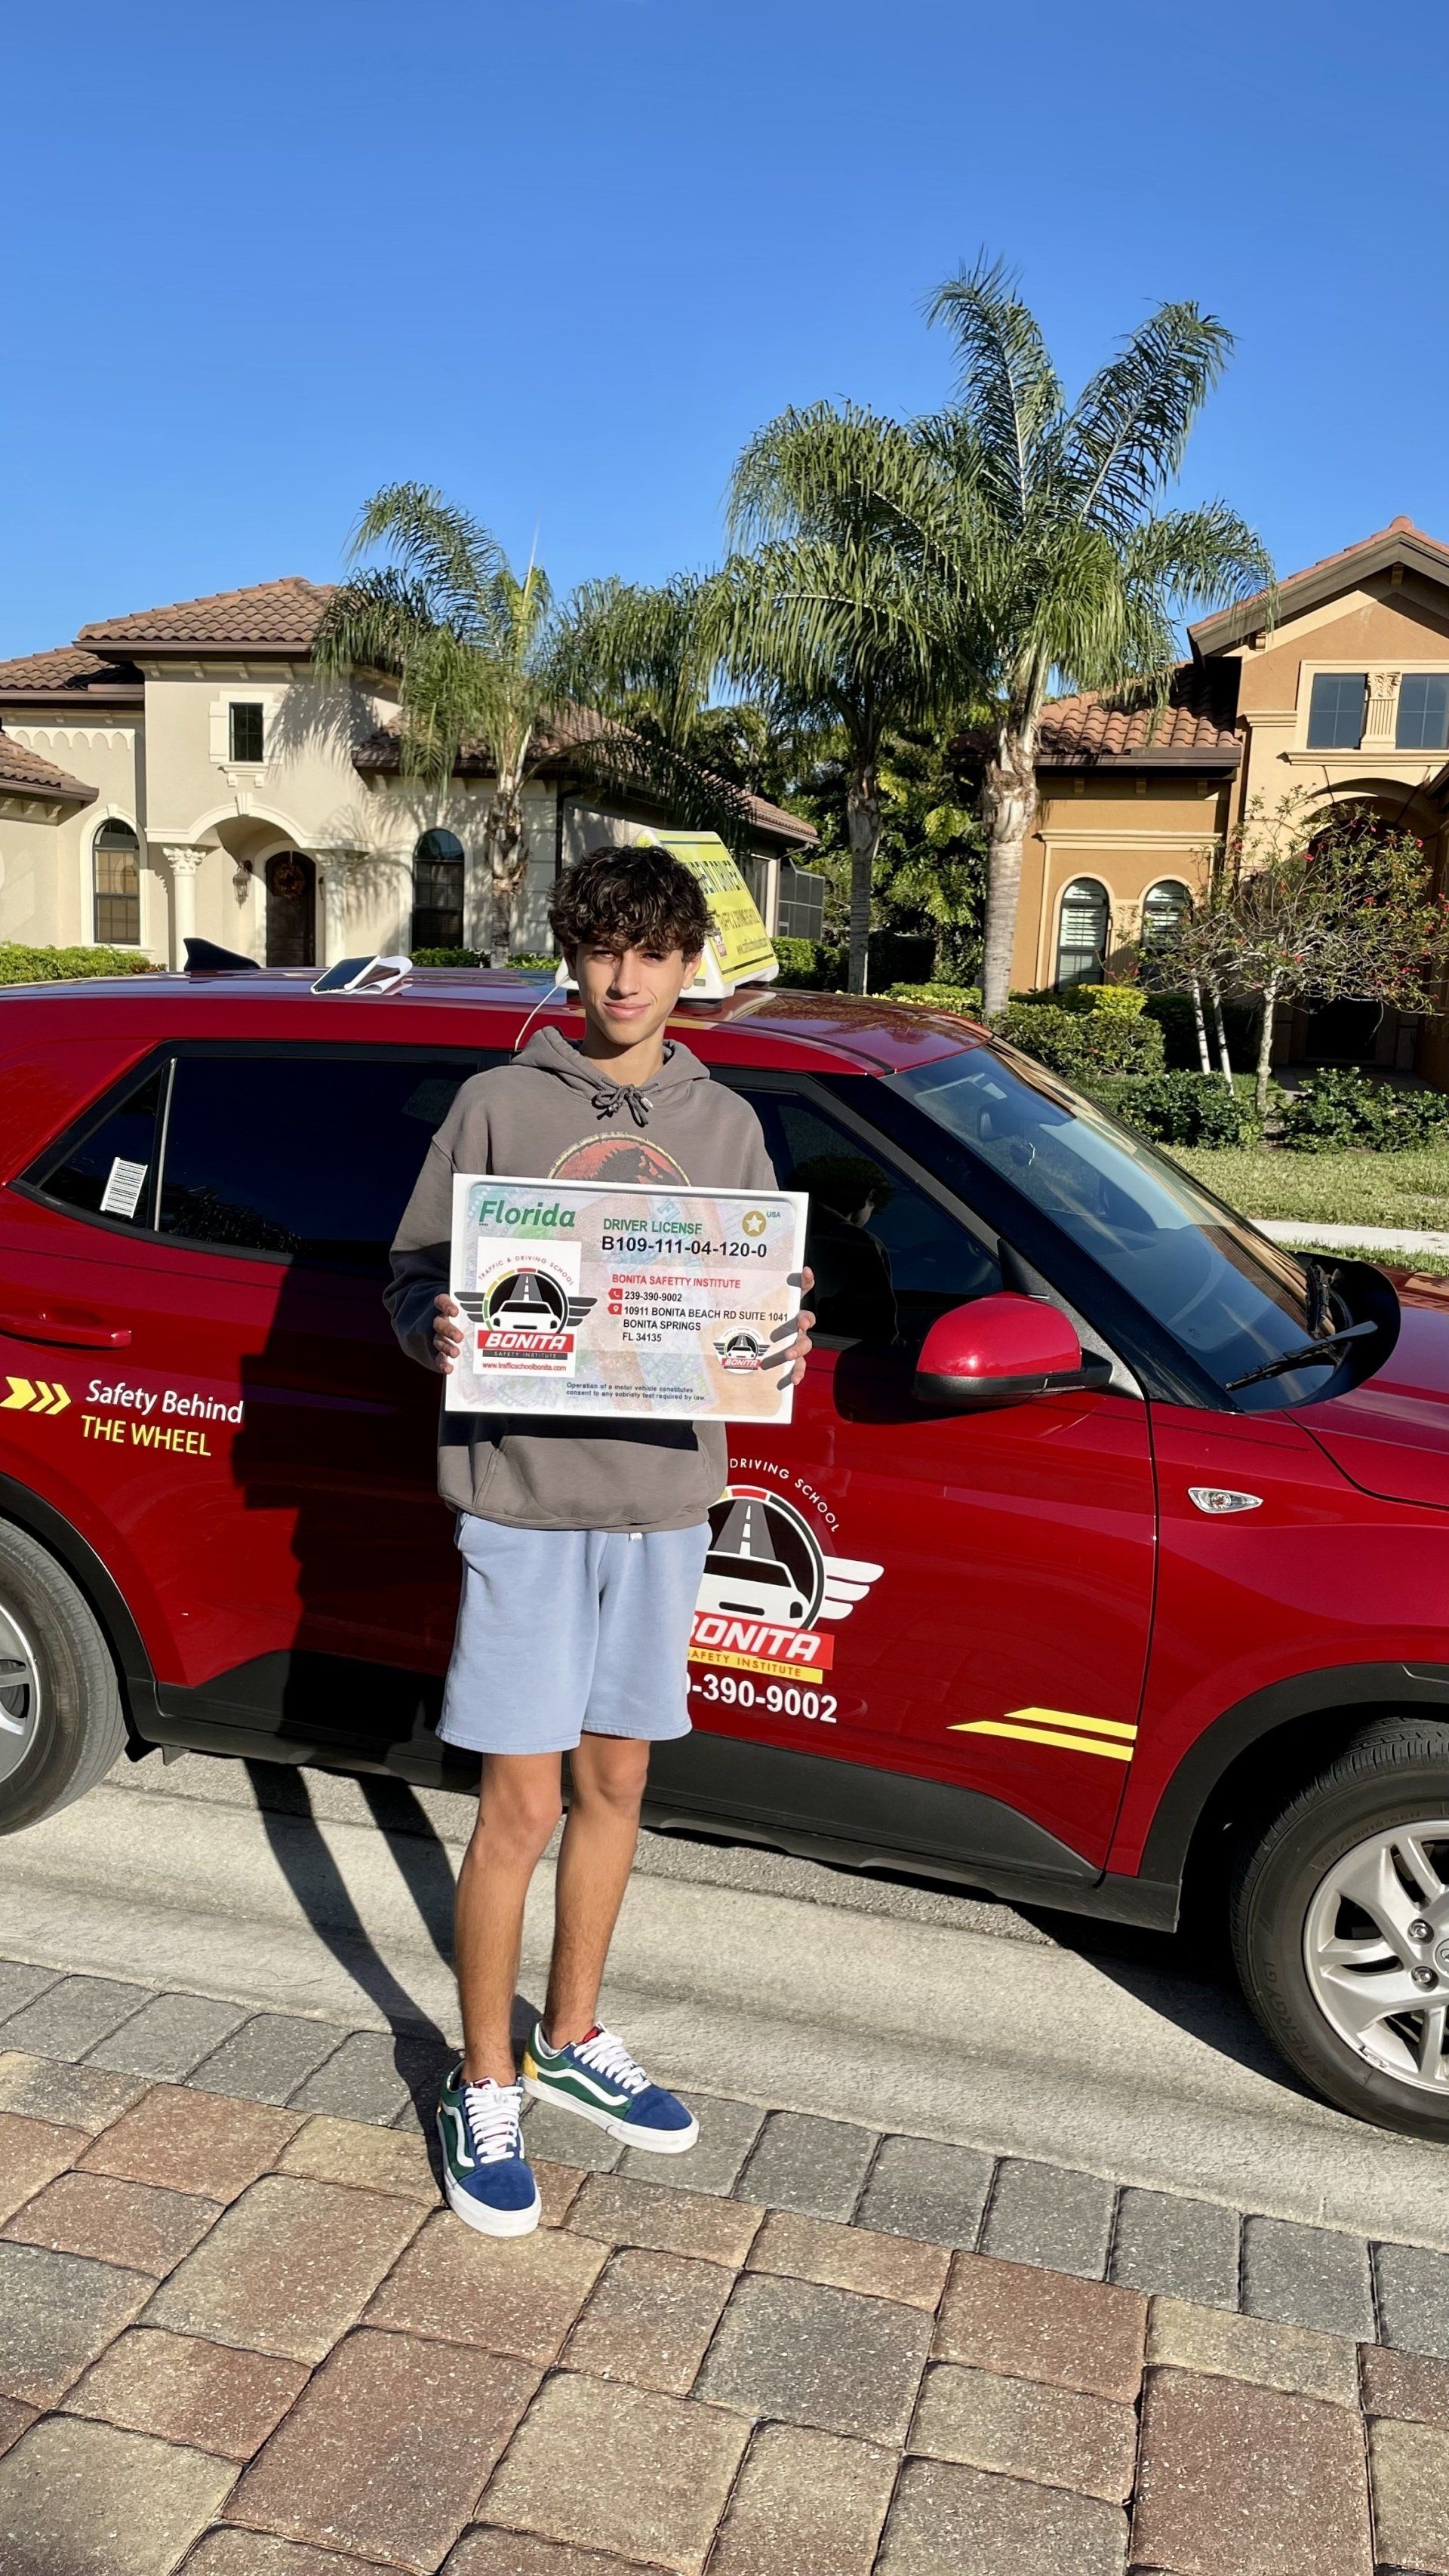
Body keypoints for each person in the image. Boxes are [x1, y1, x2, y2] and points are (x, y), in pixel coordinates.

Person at [386, 843, 814, 2236]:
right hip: (523, 1502)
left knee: (618, 1786)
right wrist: (435, 1325)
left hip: (667, 1503)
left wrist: (781, 1332)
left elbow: (754, 1302)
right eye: (601, 949)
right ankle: (484, 2075)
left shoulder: (731, 1123)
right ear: (572, 957)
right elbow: (409, 1278)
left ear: (693, 966)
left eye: (653, 952)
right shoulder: (499, 1104)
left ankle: (572, 2036)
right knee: (517, 1806)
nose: (625, 977)